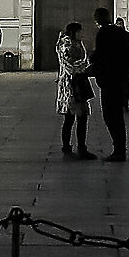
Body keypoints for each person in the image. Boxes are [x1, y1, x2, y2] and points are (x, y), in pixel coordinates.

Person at [88, 8, 129, 161]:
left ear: (99, 19)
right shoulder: (125, 34)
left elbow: (101, 56)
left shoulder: (104, 34)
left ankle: (119, 150)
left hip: (109, 80)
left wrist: (93, 63)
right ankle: (121, 148)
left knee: (110, 115)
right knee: (118, 116)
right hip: (122, 78)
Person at [55, 21, 95, 159]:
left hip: (80, 81)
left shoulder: (79, 43)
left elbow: (85, 59)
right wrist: (84, 67)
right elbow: (68, 64)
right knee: (70, 117)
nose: (81, 34)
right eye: (79, 31)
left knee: (82, 117)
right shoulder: (65, 44)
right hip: (70, 84)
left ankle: (82, 147)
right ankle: (67, 147)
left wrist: (87, 65)